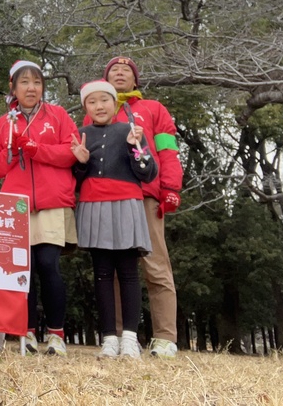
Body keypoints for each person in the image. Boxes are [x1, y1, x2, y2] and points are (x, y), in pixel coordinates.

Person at [0, 60, 78, 357]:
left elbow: (72, 153)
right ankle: (26, 332)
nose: (31, 88)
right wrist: (14, 151)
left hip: (52, 200)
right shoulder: (3, 123)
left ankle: (56, 334)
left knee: (49, 265)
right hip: (16, 205)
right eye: (24, 82)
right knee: (23, 270)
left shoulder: (58, 115)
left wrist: (37, 149)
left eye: (37, 82)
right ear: (13, 87)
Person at [99, 56, 184, 359]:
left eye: (126, 70)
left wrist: (170, 188)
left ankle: (165, 337)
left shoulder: (154, 109)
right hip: (110, 198)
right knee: (116, 269)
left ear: (136, 80)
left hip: (147, 195)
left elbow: (168, 151)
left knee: (156, 264)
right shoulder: (97, 110)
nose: (120, 73)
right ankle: (121, 337)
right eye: (114, 70)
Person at [71, 80, 158, 359]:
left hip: (126, 205)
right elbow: (74, 179)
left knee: (129, 272)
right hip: (93, 205)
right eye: (92, 101)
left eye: (104, 100)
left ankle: (130, 337)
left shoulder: (130, 130)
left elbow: (148, 172)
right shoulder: (81, 134)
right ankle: (108, 337)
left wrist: (135, 146)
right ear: (85, 107)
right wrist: (80, 162)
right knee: (102, 273)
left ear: (115, 103)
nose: (99, 106)